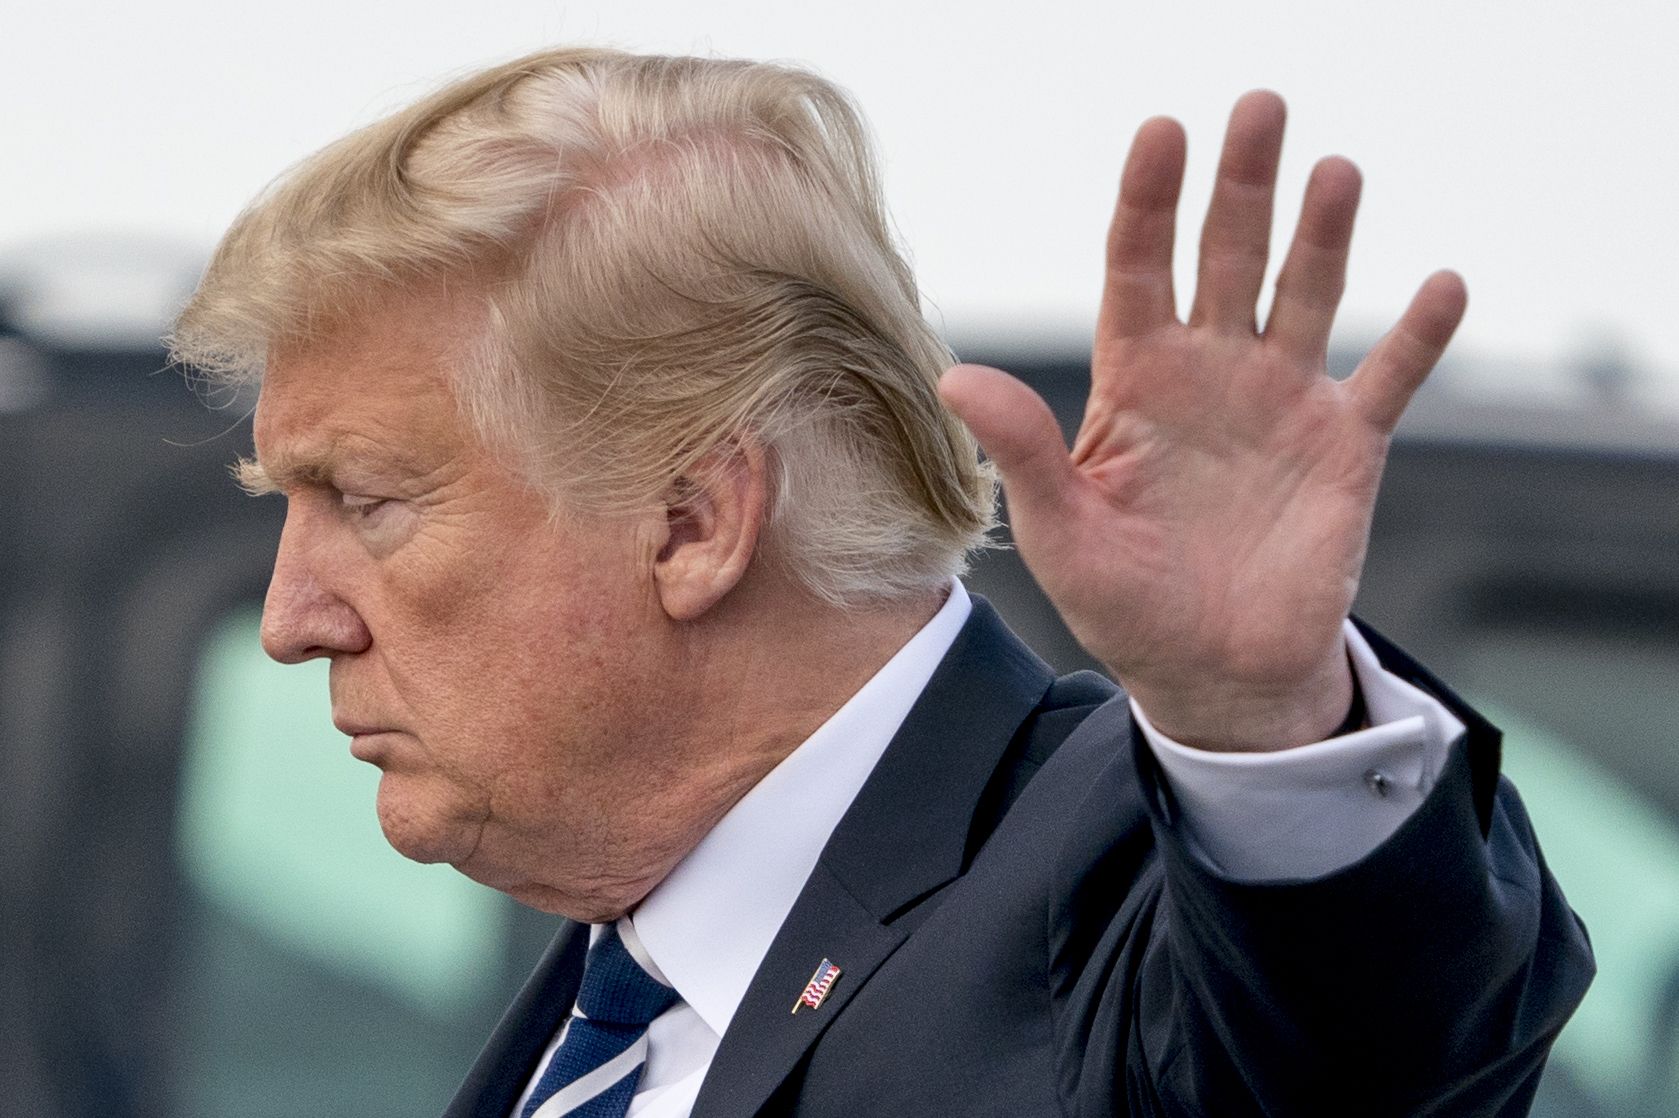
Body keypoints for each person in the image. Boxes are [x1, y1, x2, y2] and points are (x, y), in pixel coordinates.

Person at [168, 47, 1593, 1117]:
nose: (295, 615)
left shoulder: (1105, 893)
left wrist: (1261, 718)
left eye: (366, 501)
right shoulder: (605, 1000)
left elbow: (1374, 1044)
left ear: (692, 521)